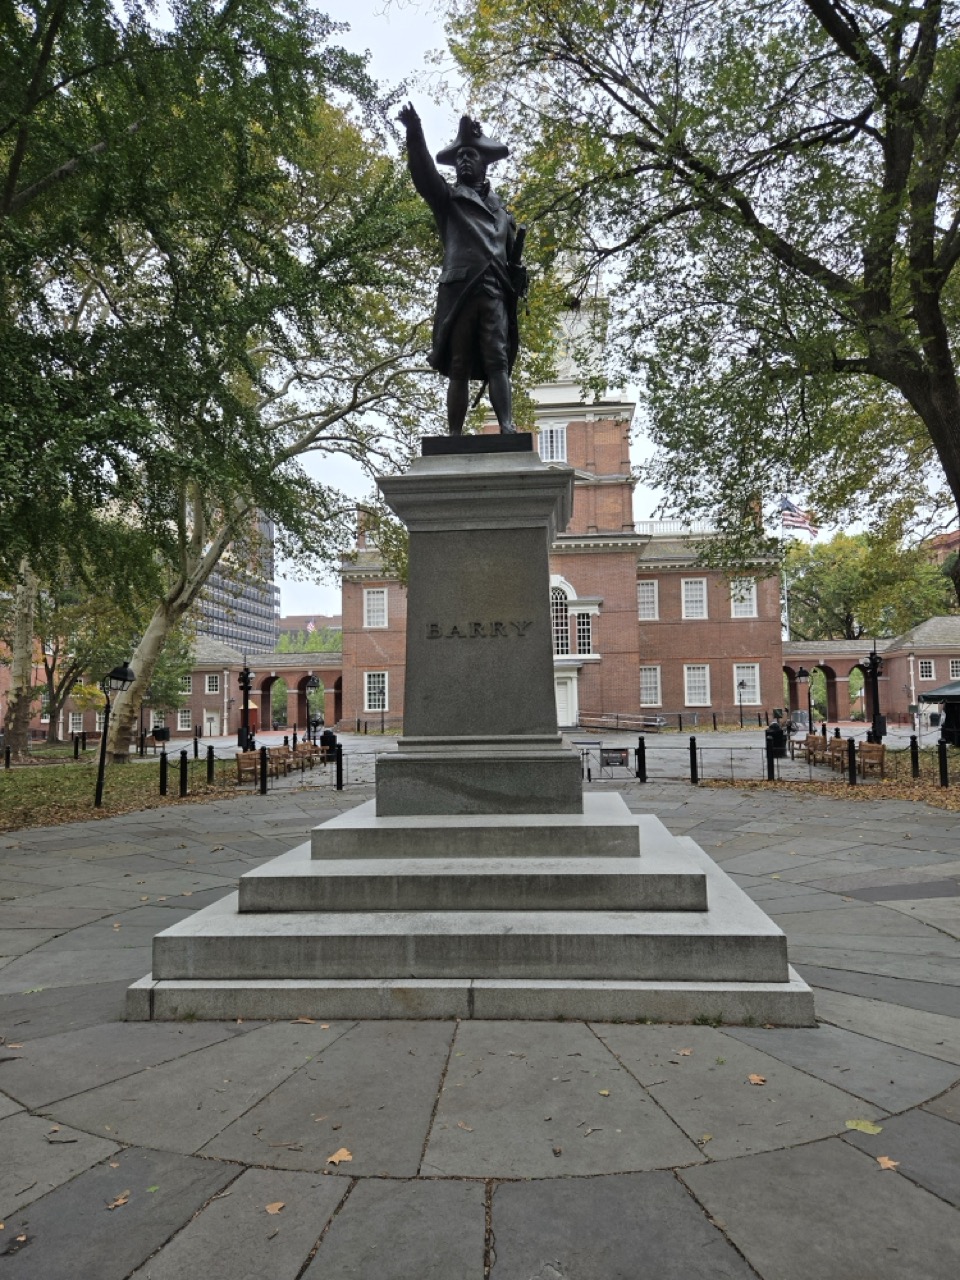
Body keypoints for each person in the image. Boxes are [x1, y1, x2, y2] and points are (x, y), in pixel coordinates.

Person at [397, 103, 526, 434]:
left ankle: (507, 426)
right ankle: (454, 433)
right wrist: (414, 132)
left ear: (484, 163)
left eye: (471, 155)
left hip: (495, 290)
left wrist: (520, 277)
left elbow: (511, 259)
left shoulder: (503, 214)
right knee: (459, 365)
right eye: (459, 157)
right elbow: (423, 174)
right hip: (460, 291)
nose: (464, 161)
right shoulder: (448, 198)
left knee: (498, 360)